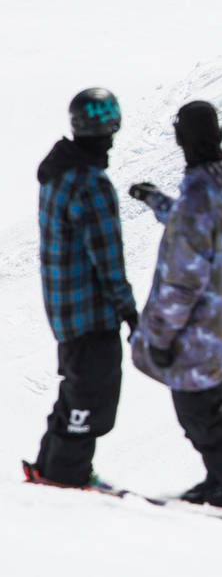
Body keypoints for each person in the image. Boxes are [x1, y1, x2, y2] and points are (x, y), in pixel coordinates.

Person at [128, 101, 222, 509]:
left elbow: (182, 281)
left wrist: (156, 335)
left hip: (195, 324)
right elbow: (194, 225)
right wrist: (158, 201)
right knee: (207, 404)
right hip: (221, 317)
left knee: (202, 413)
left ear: (181, 138)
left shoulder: (199, 194)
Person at [26, 88, 137, 488]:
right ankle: (66, 477)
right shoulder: (90, 182)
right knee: (92, 396)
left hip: (64, 310)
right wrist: (129, 311)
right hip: (90, 312)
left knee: (76, 389)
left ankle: (48, 466)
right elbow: (108, 258)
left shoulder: (57, 173)